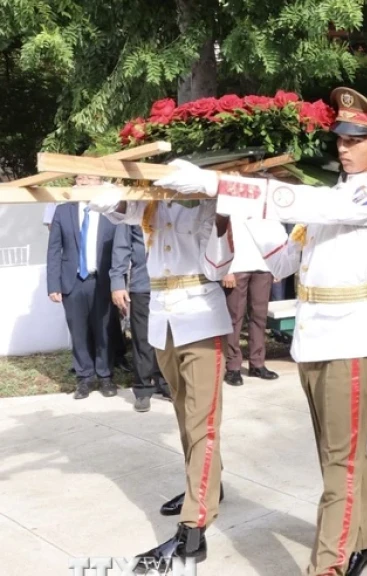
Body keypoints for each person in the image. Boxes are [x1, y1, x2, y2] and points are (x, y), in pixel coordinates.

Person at [232, 87, 367, 576]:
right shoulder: (334, 196)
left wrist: (236, 187)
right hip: (314, 338)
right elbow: (286, 257)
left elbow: (312, 206)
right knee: (342, 452)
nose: (343, 147)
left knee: (338, 465)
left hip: (347, 340)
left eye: (356, 137)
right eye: (340, 138)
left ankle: (326, 565)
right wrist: (238, 216)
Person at [89, 163, 234, 566]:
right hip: (164, 318)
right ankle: (206, 486)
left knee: (203, 422)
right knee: (185, 418)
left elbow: (220, 266)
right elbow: (125, 209)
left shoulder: (207, 197)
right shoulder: (153, 199)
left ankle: (194, 527)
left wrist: (219, 211)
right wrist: (109, 197)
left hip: (201, 315)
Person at [47, 175, 118, 400]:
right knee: (78, 332)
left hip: (101, 280)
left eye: (90, 177)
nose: (84, 181)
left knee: (104, 329)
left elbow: (119, 249)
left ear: (100, 182)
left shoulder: (111, 212)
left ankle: (105, 376)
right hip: (72, 281)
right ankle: (84, 377)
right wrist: (53, 284)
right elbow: (54, 250)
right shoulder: (62, 211)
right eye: (80, 177)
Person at [111, 224, 170, 411]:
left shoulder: (169, 203)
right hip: (143, 285)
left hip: (172, 284)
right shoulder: (132, 208)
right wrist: (117, 283)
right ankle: (143, 388)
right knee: (142, 339)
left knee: (168, 338)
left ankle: (166, 382)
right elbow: (121, 248)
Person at [222, 211, 280, 386]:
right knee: (234, 318)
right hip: (237, 265)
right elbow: (221, 238)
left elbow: (276, 235)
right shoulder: (231, 203)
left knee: (259, 317)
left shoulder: (267, 204)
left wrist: (277, 264)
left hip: (263, 266)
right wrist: (226, 270)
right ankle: (233, 367)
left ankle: (257, 363)